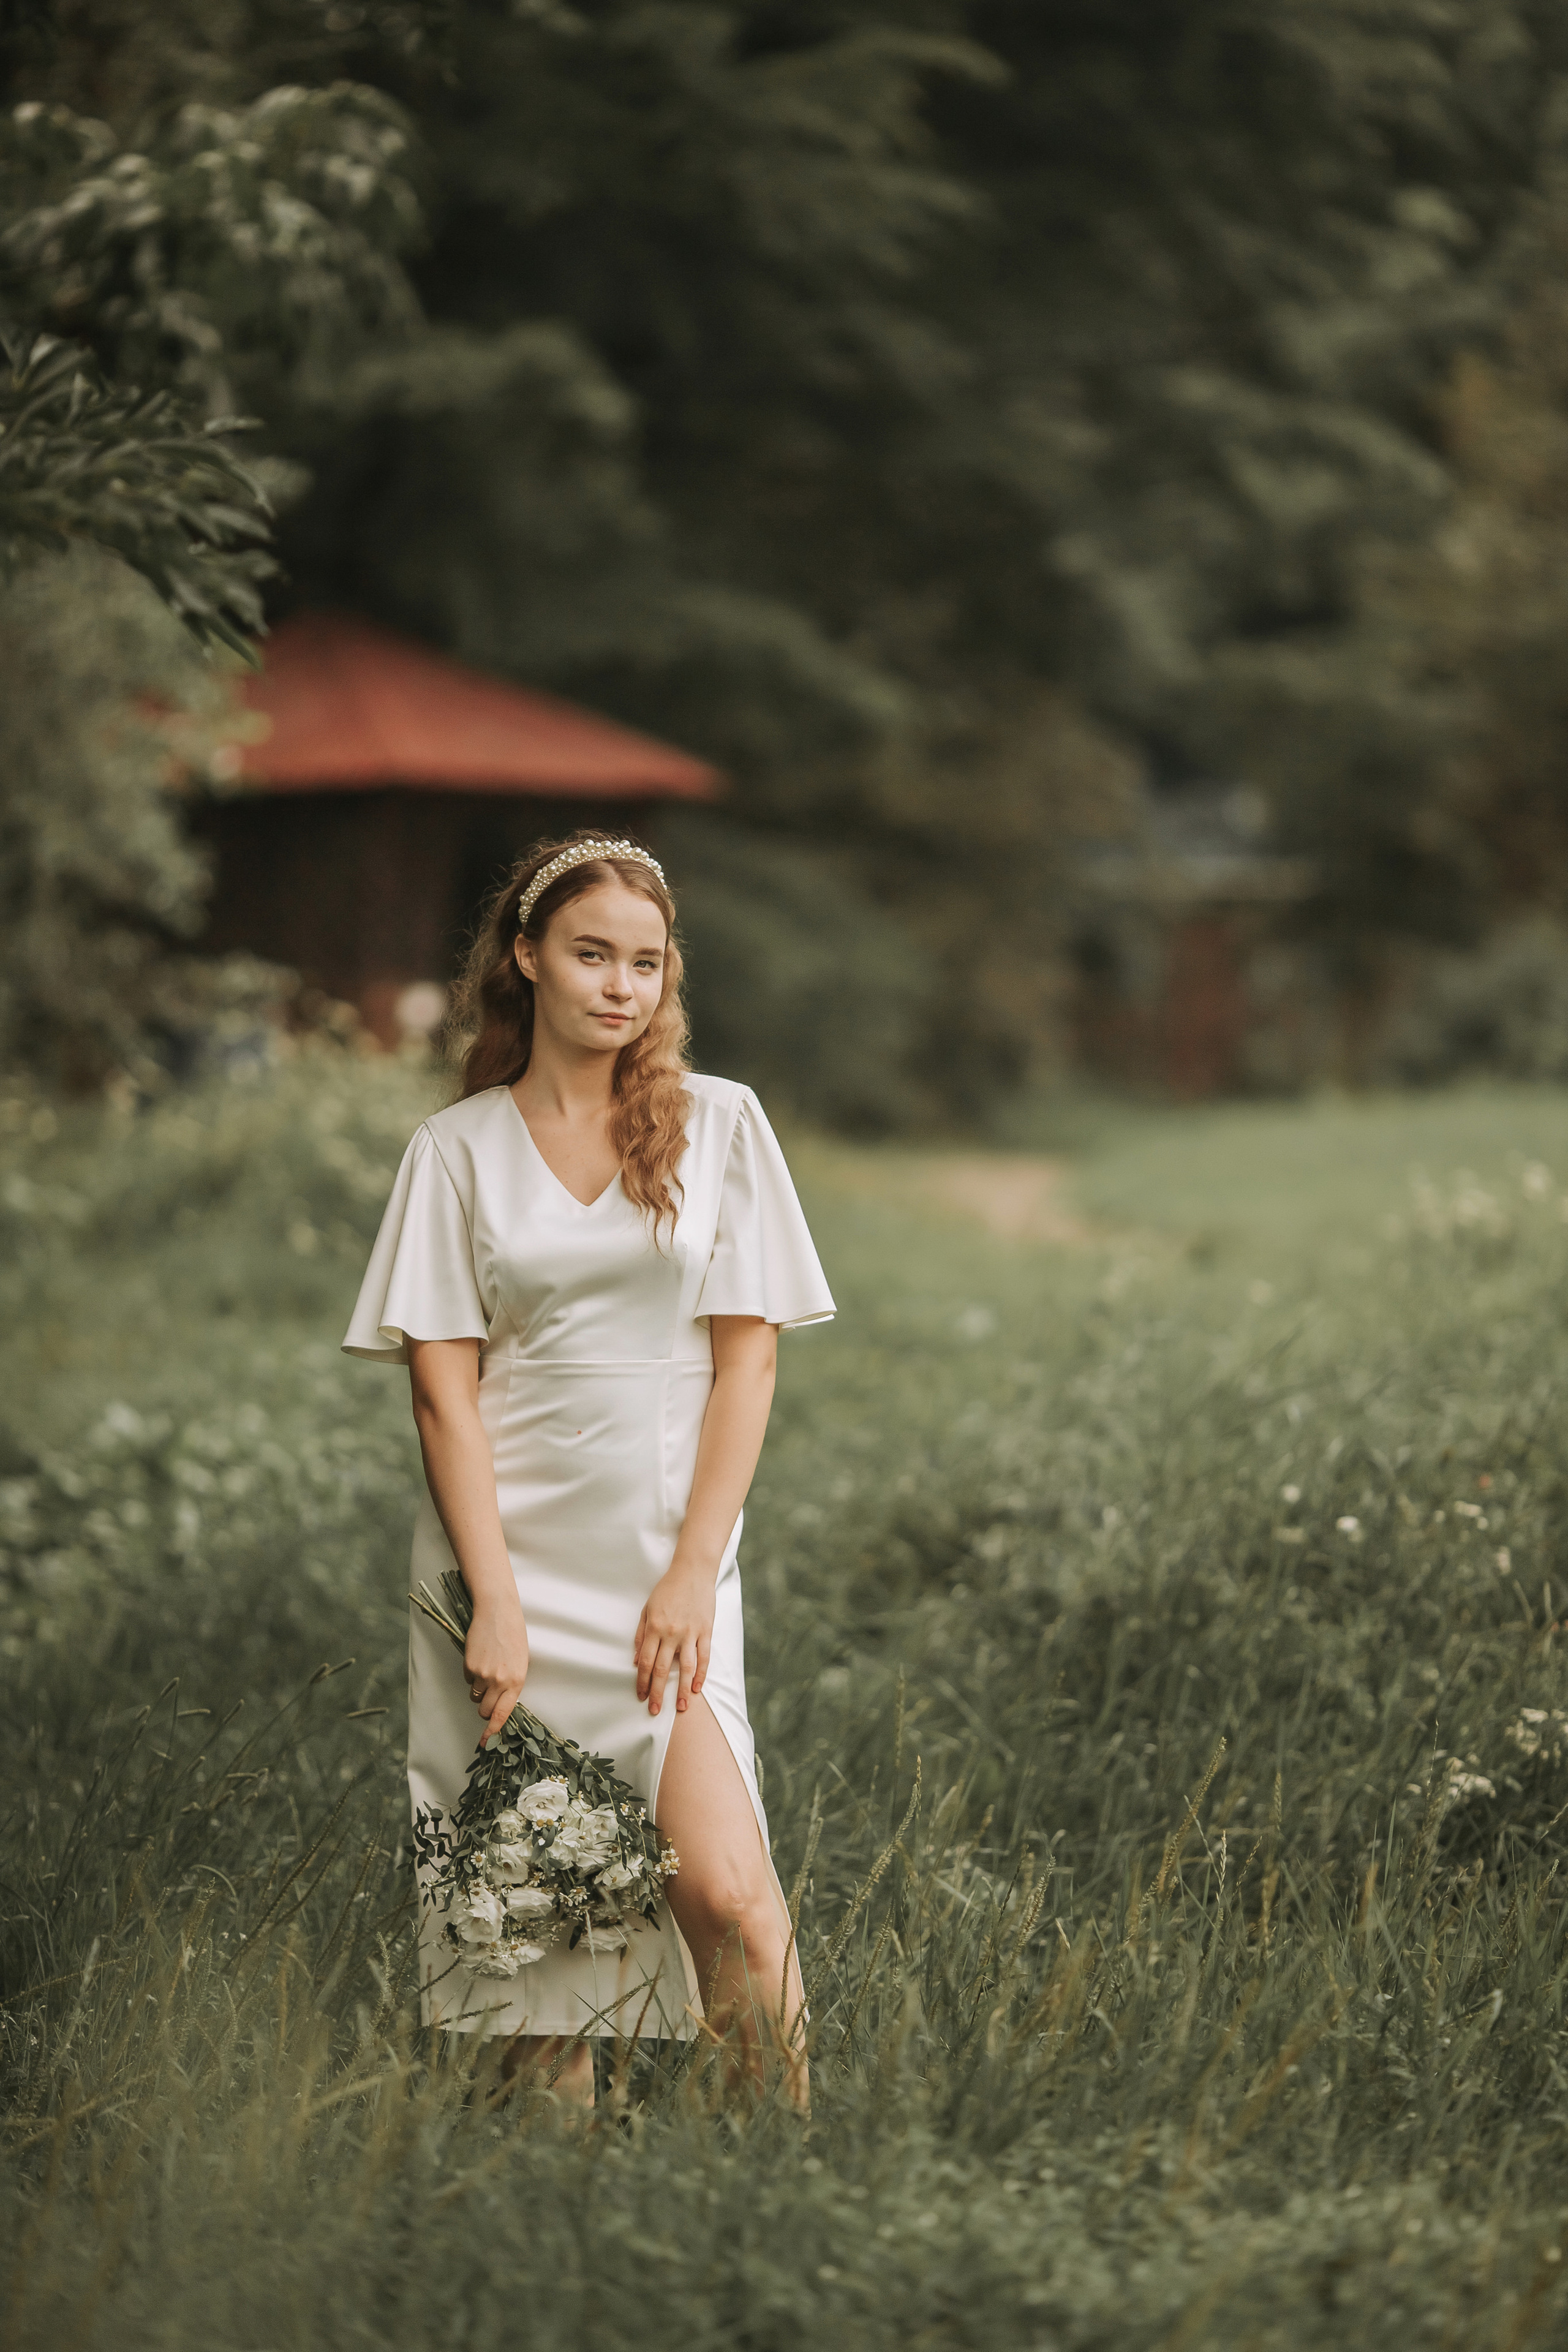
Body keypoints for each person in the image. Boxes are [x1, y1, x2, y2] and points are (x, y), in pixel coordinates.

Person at [342, 832, 835, 2108]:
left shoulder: (719, 1126)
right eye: (590, 955)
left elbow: (749, 1368)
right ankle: (553, 2205)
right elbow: (443, 1396)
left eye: (645, 963)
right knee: (541, 1905)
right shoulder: (452, 1150)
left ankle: (787, 2167)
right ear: (526, 957)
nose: (620, 986)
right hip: (505, 1553)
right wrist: (490, 1599)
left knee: (724, 1892)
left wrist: (689, 1573)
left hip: (663, 1546)